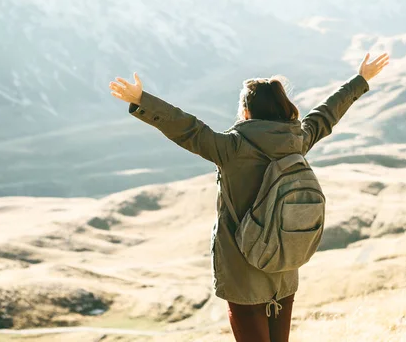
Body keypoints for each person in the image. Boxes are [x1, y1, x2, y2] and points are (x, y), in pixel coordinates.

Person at [109, 52, 389, 342]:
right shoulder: (298, 140)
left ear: (246, 112)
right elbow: (326, 113)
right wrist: (361, 79)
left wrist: (142, 99)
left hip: (243, 272)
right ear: (282, 108)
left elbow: (187, 128)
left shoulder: (230, 148)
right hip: (284, 268)